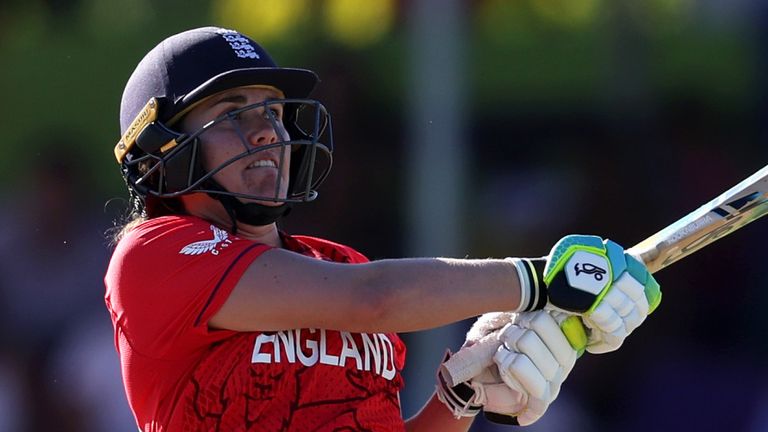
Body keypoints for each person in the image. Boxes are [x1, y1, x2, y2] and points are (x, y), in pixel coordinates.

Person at [105, 26, 662, 432]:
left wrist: (460, 396)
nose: (266, 133)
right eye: (234, 112)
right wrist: (543, 280)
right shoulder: (154, 254)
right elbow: (375, 299)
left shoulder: (339, 263)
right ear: (163, 153)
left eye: (272, 111)